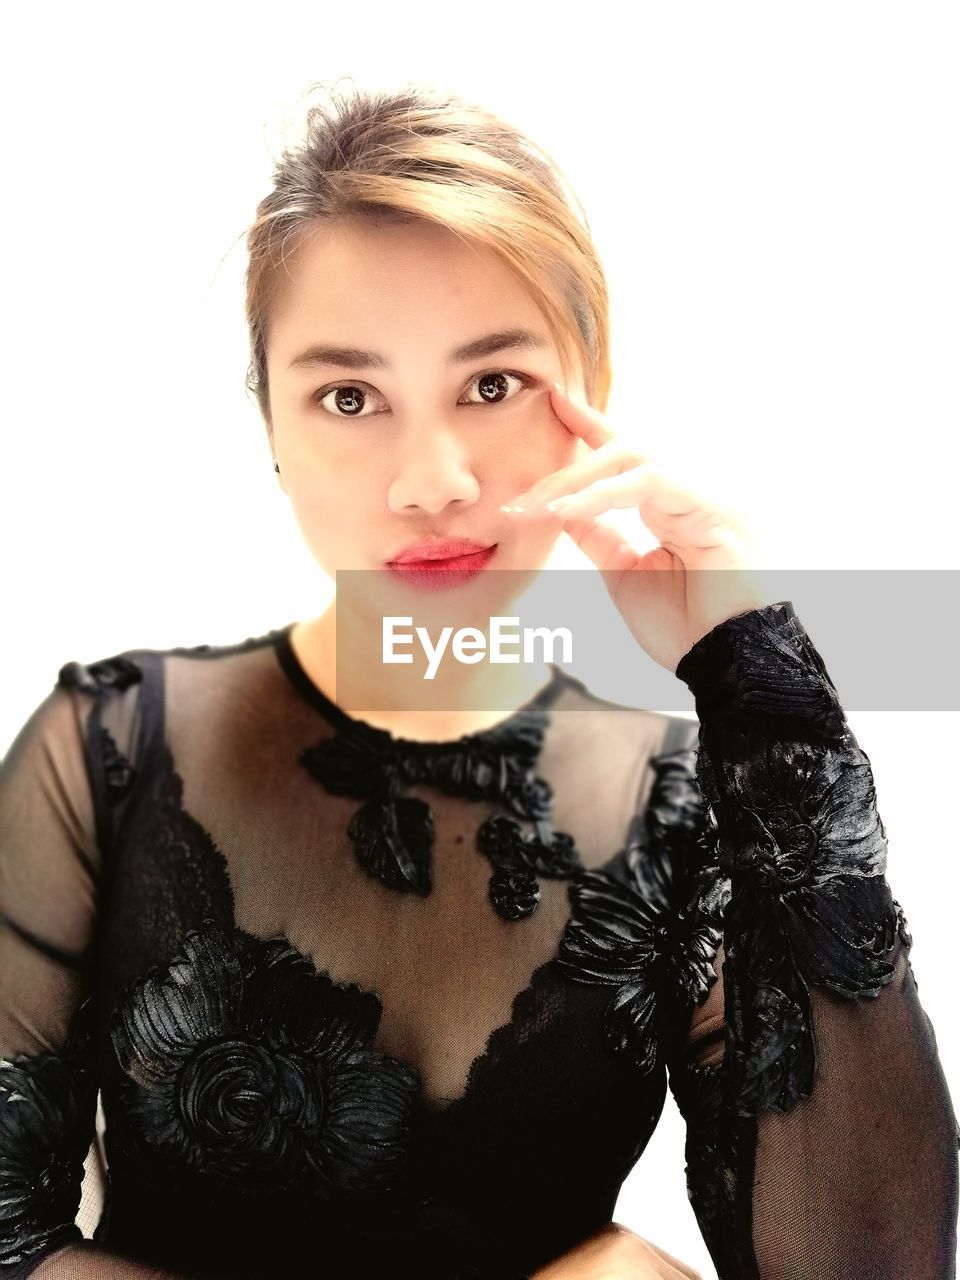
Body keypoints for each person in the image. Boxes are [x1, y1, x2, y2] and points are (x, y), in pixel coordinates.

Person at [1, 80, 957, 1280]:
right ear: (273, 430)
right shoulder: (106, 749)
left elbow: (867, 1267)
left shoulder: (682, 800)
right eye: (350, 397)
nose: (432, 478)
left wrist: (756, 672)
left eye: (492, 384)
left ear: (586, 394)